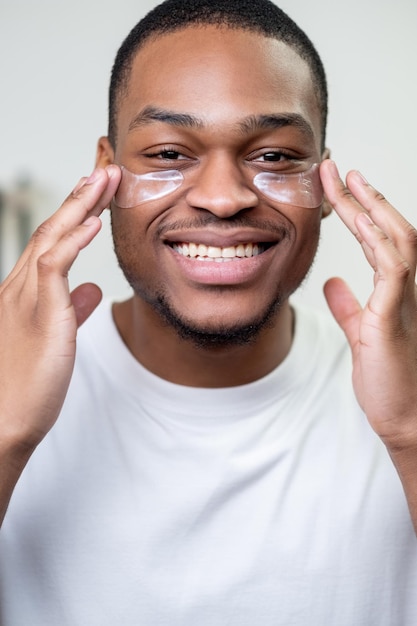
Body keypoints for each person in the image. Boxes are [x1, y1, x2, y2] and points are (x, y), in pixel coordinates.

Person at [1, 0, 416, 623]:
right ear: (105, 173)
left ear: (325, 184)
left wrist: (410, 433)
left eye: (274, 156)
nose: (223, 199)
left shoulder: (405, 410)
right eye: (169, 154)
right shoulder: (8, 394)